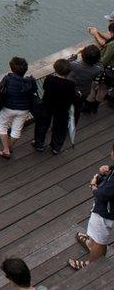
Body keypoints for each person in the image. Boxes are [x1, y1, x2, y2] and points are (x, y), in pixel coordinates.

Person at [69, 141, 114, 270]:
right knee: (97, 235)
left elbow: (102, 194)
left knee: (100, 238)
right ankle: (91, 242)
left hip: (106, 212)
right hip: (108, 209)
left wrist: (94, 186)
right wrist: (108, 171)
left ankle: (91, 264)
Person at [0, 57, 39, 159]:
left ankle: (6, 150)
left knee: (2, 127)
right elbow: (34, 90)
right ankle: (8, 148)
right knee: (16, 130)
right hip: (24, 109)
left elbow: (0, 87)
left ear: (12, 69)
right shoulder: (30, 81)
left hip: (8, 108)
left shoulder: (8, 79)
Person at [33, 59, 78, 154]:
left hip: (47, 106)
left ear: (55, 68)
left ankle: (39, 144)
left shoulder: (49, 79)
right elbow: (72, 97)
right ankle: (56, 147)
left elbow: (44, 87)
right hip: (62, 109)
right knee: (60, 127)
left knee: (42, 125)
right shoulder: (71, 85)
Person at [69, 45, 103, 115]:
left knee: (73, 101)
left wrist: (77, 52)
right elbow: (100, 64)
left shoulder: (73, 65)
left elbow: (69, 61)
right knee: (82, 100)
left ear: (82, 55)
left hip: (73, 89)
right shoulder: (98, 69)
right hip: (85, 90)